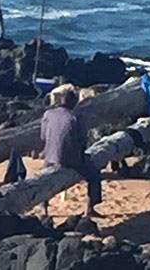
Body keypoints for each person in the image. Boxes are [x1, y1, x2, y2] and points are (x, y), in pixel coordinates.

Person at [40, 84, 102, 217]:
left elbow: (43, 136)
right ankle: (90, 208)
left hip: (50, 157)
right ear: (73, 103)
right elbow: (82, 140)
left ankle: (44, 208)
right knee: (94, 175)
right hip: (71, 159)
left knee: (43, 178)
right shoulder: (76, 117)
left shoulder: (48, 114)